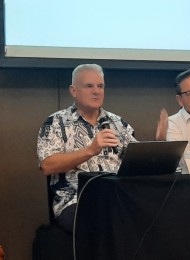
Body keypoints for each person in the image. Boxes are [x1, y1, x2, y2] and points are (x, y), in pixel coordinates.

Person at [37, 64, 136, 233]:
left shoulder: (118, 123)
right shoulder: (55, 122)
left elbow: (135, 161)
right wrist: (90, 150)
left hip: (119, 195)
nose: (96, 91)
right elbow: (47, 165)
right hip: (77, 200)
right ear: (73, 90)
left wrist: (159, 144)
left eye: (100, 86)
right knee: (108, 221)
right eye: (89, 86)